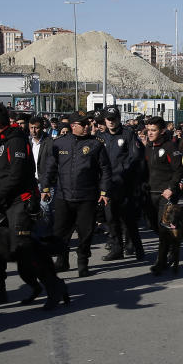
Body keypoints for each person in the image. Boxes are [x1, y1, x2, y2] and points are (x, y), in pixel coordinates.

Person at [0, 103, 44, 302]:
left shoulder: (15, 141)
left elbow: (15, 175)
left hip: (19, 204)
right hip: (5, 203)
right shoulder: (1, 140)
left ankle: (42, 284)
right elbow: (2, 175)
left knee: (21, 249)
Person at [41, 112, 112, 277]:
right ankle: (62, 261)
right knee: (60, 232)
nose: (87, 126)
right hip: (63, 196)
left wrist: (104, 191)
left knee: (85, 232)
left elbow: (105, 170)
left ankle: (82, 263)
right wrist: (45, 188)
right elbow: (50, 168)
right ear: (73, 126)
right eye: (83, 124)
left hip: (87, 196)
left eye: (87, 123)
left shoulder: (96, 144)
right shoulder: (59, 143)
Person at [97, 108, 145, 260]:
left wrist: (123, 173)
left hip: (125, 184)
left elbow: (135, 157)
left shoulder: (127, 134)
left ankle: (135, 247)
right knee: (111, 219)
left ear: (118, 119)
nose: (111, 121)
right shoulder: (100, 137)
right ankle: (117, 249)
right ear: (104, 121)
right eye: (108, 119)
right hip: (108, 185)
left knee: (128, 219)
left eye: (114, 118)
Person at [144, 116, 183, 272]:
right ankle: (171, 245)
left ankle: (161, 262)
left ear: (162, 131)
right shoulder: (148, 147)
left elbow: (179, 170)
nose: (150, 133)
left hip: (165, 194)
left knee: (163, 228)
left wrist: (171, 188)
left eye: (153, 130)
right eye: (148, 130)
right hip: (150, 193)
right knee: (152, 224)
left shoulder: (169, 147)